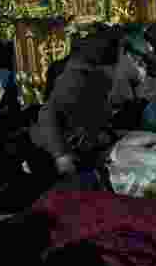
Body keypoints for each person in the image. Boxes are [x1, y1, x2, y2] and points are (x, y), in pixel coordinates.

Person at [28, 31, 130, 188]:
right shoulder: (77, 78)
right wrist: (61, 155)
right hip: (52, 156)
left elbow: (89, 118)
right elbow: (47, 114)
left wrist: (105, 135)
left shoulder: (97, 78)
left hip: (77, 151)